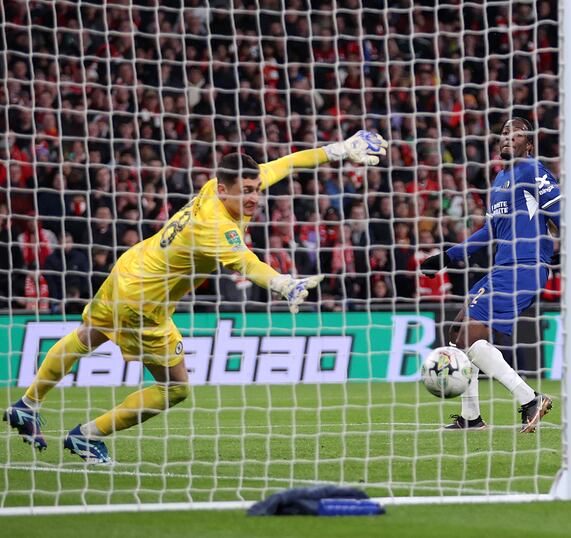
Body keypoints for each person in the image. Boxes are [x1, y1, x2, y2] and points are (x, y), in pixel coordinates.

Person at [3, 131, 387, 463]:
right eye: (247, 193)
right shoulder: (216, 226)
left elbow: (286, 163)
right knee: (175, 388)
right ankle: (88, 435)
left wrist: (338, 150)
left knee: (88, 335)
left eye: (256, 190)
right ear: (224, 190)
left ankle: (28, 404)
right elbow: (247, 264)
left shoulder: (217, 190)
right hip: (145, 304)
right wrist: (284, 284)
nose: (255, 199)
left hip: (130, 270)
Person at [420, 117, 558, 433]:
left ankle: (529, 399)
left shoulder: (532, 170)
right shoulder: (498, 181)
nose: (508, 137)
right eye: (504, 132)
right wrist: (446, 257)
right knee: (456, 333)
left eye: (517, 132)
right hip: (504, 268)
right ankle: (472, 418)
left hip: (524, 266)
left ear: (530, 143)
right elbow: (488, 232)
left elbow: (560, 212)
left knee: (467, 335)